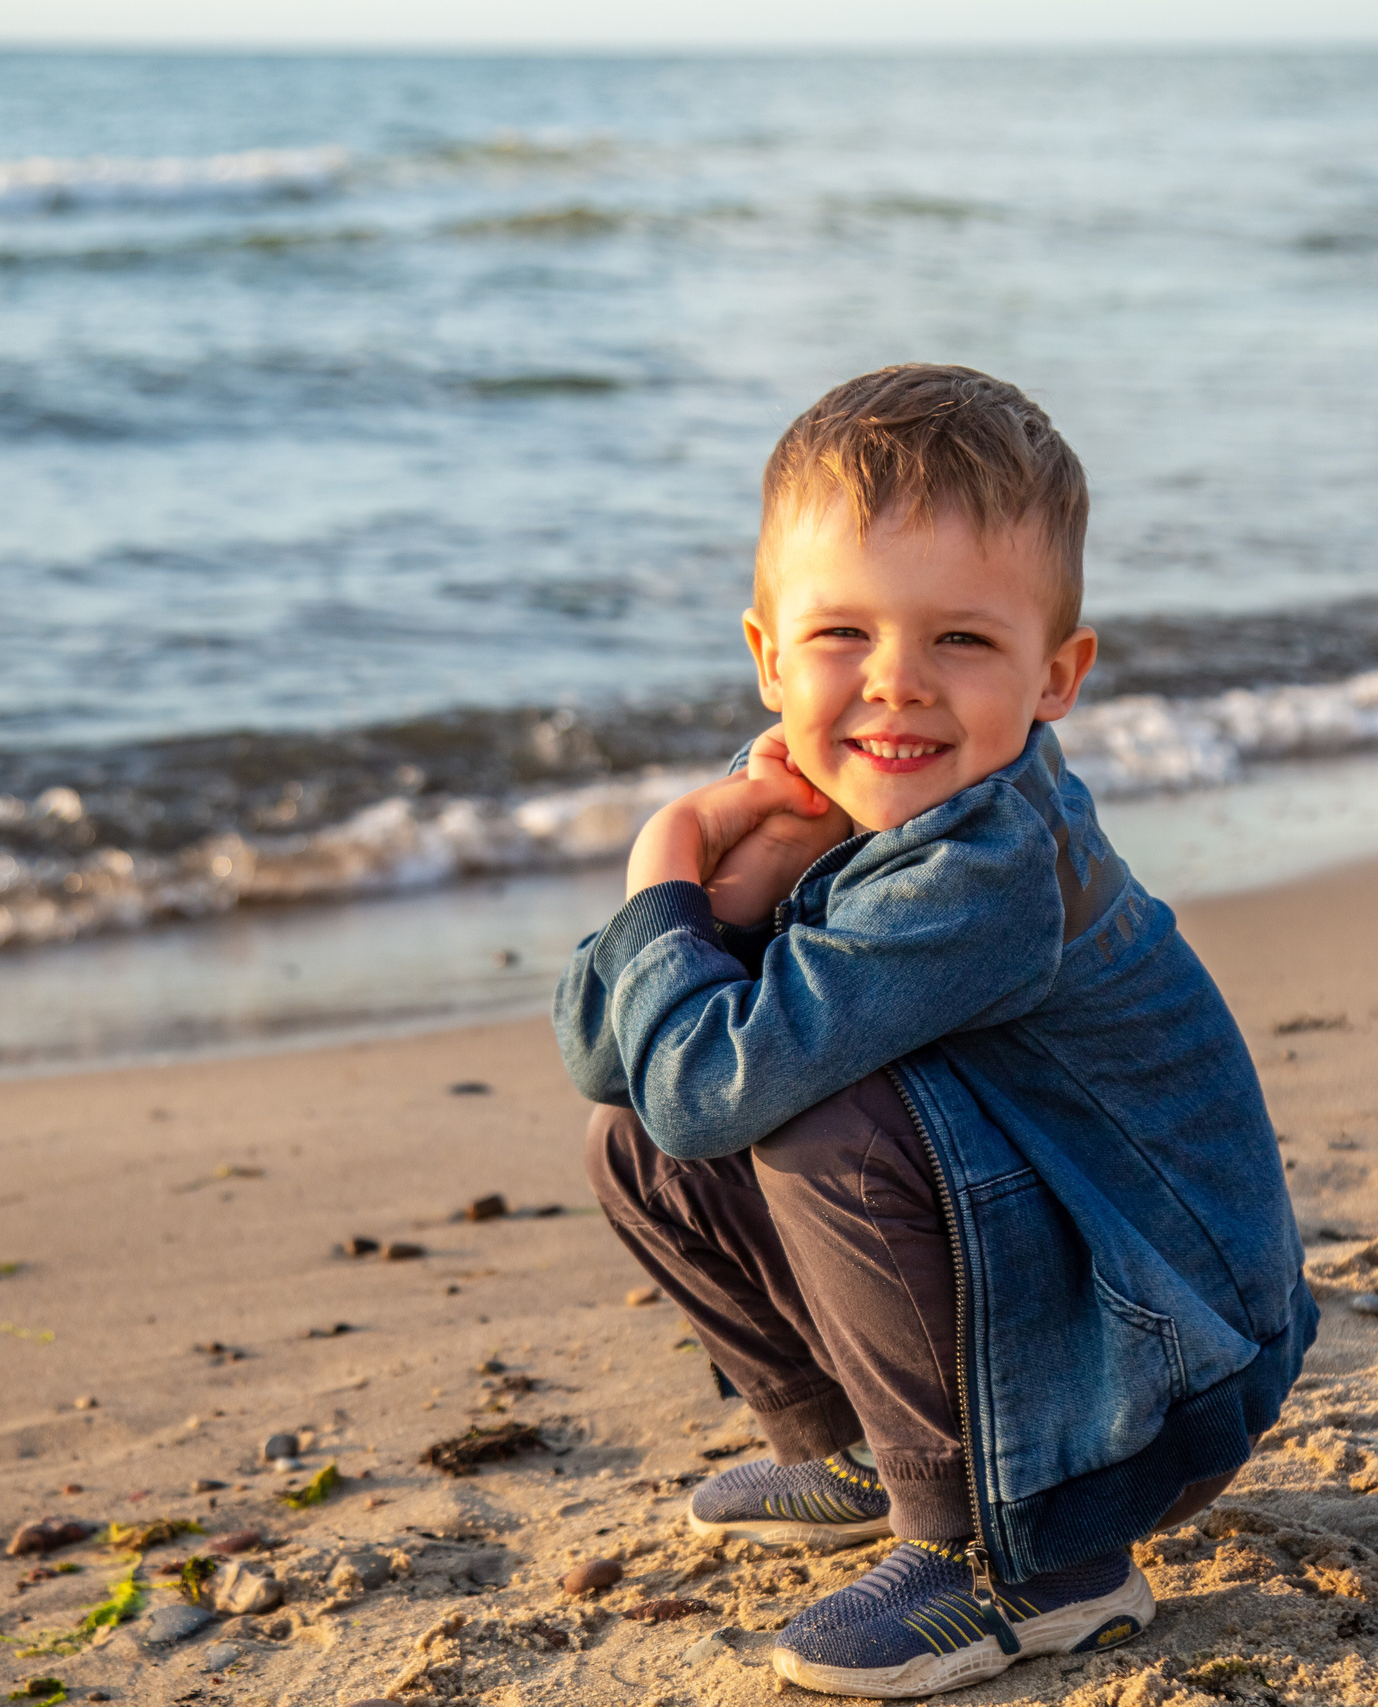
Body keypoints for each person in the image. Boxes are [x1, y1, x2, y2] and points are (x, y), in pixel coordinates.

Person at [554, 364, 1315, 1699]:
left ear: (1057, 675)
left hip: (1162, 1369)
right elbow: (622, 1073)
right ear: (768, 655)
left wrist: (666, 862)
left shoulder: (985, 867)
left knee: (805, 1111)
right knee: (633, 1140)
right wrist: (726, 893)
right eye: (843, 635)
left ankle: (1034, 1568)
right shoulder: (834, 800)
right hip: (1073, 1305)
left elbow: (713, 1083)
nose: (895, 686)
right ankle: (859, 1444)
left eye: (962, 641)